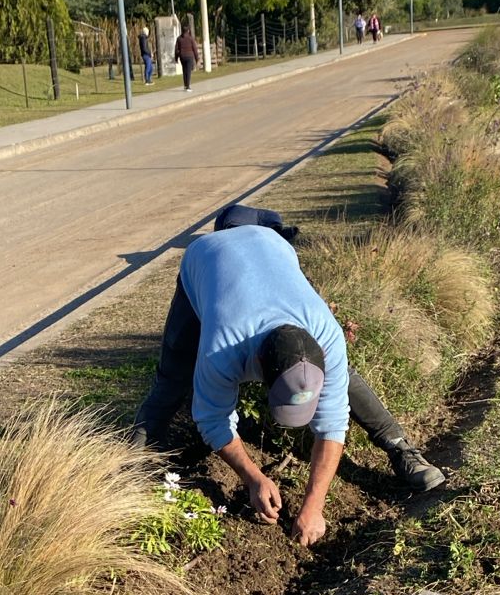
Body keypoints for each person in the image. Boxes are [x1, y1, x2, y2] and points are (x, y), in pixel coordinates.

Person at [132, 203, 445, 547]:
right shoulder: (222, 347)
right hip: (206, 259)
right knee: (174, 374)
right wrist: (253, 478)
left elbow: (333, 424)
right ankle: (135, 461)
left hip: (272, 247)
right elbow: (212, 419)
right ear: (258, 369)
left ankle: (401, 449)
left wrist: (314, 505)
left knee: (344, 378)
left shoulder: (326, 335)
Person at [174, 23, 201, 91]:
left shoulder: (179, 39)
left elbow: (176, 49)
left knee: (184, 70)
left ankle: (185, 85)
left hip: (182, 57)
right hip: (189, 56)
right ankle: (188, 86)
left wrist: (176, 58)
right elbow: (194, 49)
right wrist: (197, 59)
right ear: (188, 30)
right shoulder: (191, 39)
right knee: (188, 71)